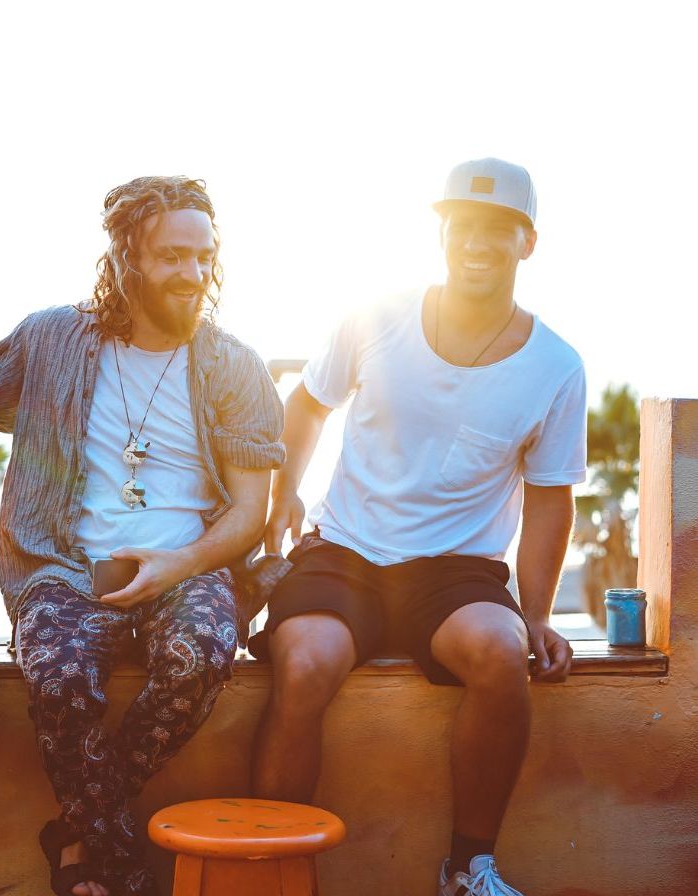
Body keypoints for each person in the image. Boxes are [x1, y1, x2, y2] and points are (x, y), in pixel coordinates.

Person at [0, 175, 284, 896]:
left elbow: (248, 514)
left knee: (198, 656)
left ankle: (77, 837)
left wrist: (176, 565)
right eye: (172, 256)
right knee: (62, 681)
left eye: (204, 256)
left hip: (188, 566)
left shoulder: (234, 365)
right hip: (62, 568)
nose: (193, 274)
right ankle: (122, 867)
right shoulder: (52, 338)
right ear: (126, 256)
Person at [251, 159, 586, 896]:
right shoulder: (377, 317)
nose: (477, 241)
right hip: (346, 551)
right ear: (441, 233)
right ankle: (270, 872)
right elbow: (308, 404)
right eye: (463, 224)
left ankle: (467, 869)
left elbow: (549, 499)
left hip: (456, 570)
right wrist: (285, 495)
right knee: (304, 663)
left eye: (497, 228)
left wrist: (535, 615)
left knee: (501, 654)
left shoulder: (556, 366)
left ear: (527, 242)